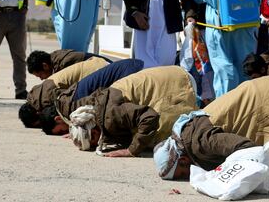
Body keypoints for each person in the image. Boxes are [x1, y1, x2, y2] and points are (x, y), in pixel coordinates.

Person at [54, 66, 198, 157]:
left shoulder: (111, 114)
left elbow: (149, 117)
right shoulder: (95, 109)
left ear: (94, 128)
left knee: (163, 132)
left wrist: (131, 150)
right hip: (171, 73)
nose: (94, 144)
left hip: (178, 82)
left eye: (92, 140)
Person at [18, 56, 110, 127]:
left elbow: (70, 104)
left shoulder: (46, 99)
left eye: (39, 123)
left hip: (102, 71)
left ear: (38, 113)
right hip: (97, 63)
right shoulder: (36, 93)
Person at [26, 49, 112, 80]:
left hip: (108, 71)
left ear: (45, 66)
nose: (41, 79)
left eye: (40, 75)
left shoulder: (63, 65)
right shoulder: (55, 58)